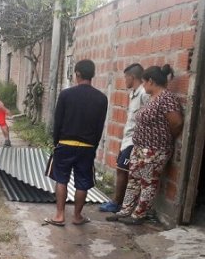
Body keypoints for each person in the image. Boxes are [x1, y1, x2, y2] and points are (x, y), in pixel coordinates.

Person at [108, 64, 183, 225]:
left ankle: (139, 215)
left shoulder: (166, 98)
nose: (142, 85)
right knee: (133, 179)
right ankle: (125, 210)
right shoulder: (151, 98)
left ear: (151, 81)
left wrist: (163, 140)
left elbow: (176, 123)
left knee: (148, 182)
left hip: (155, 150)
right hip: (140, 148)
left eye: (144, 82)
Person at [45, 59, 108, 226]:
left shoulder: (66, 95)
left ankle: (59, 215)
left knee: (62, 179)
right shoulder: (101, 98)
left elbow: (57, 121)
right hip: (87, 147)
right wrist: (93, 147)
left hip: (65, 143)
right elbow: (99, 127)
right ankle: (77, 216)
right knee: (82, 182)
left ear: (77, 74)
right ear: (93, 75)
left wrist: (56, 142)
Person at [99, 63, 150, 212]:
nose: (124, 81)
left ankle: (117, 203)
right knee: (121, 169)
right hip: (127, 139)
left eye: (125, 78)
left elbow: (149, 117)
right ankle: (121, 202)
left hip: (135, 141)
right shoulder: (133, 93)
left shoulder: (143, 94)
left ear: (132, 77)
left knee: (123, 170)